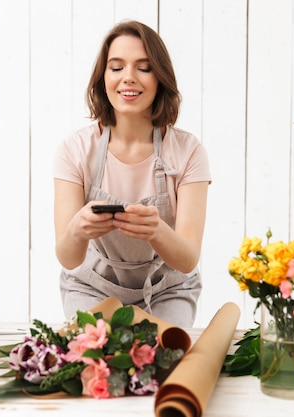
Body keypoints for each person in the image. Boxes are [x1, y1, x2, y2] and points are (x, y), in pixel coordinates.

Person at [53, 20, 211, 327]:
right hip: (91, 287)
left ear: (160, 77)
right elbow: (68, 257)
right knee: (97, 361)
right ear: (103, 78)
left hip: (168, 289)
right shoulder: (73, 150)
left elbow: (188, 258)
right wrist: (78, 228)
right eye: (116, 67)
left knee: (163, 363)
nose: (129, 78)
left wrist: (156, 230)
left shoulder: (189, 151)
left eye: (144, 67)